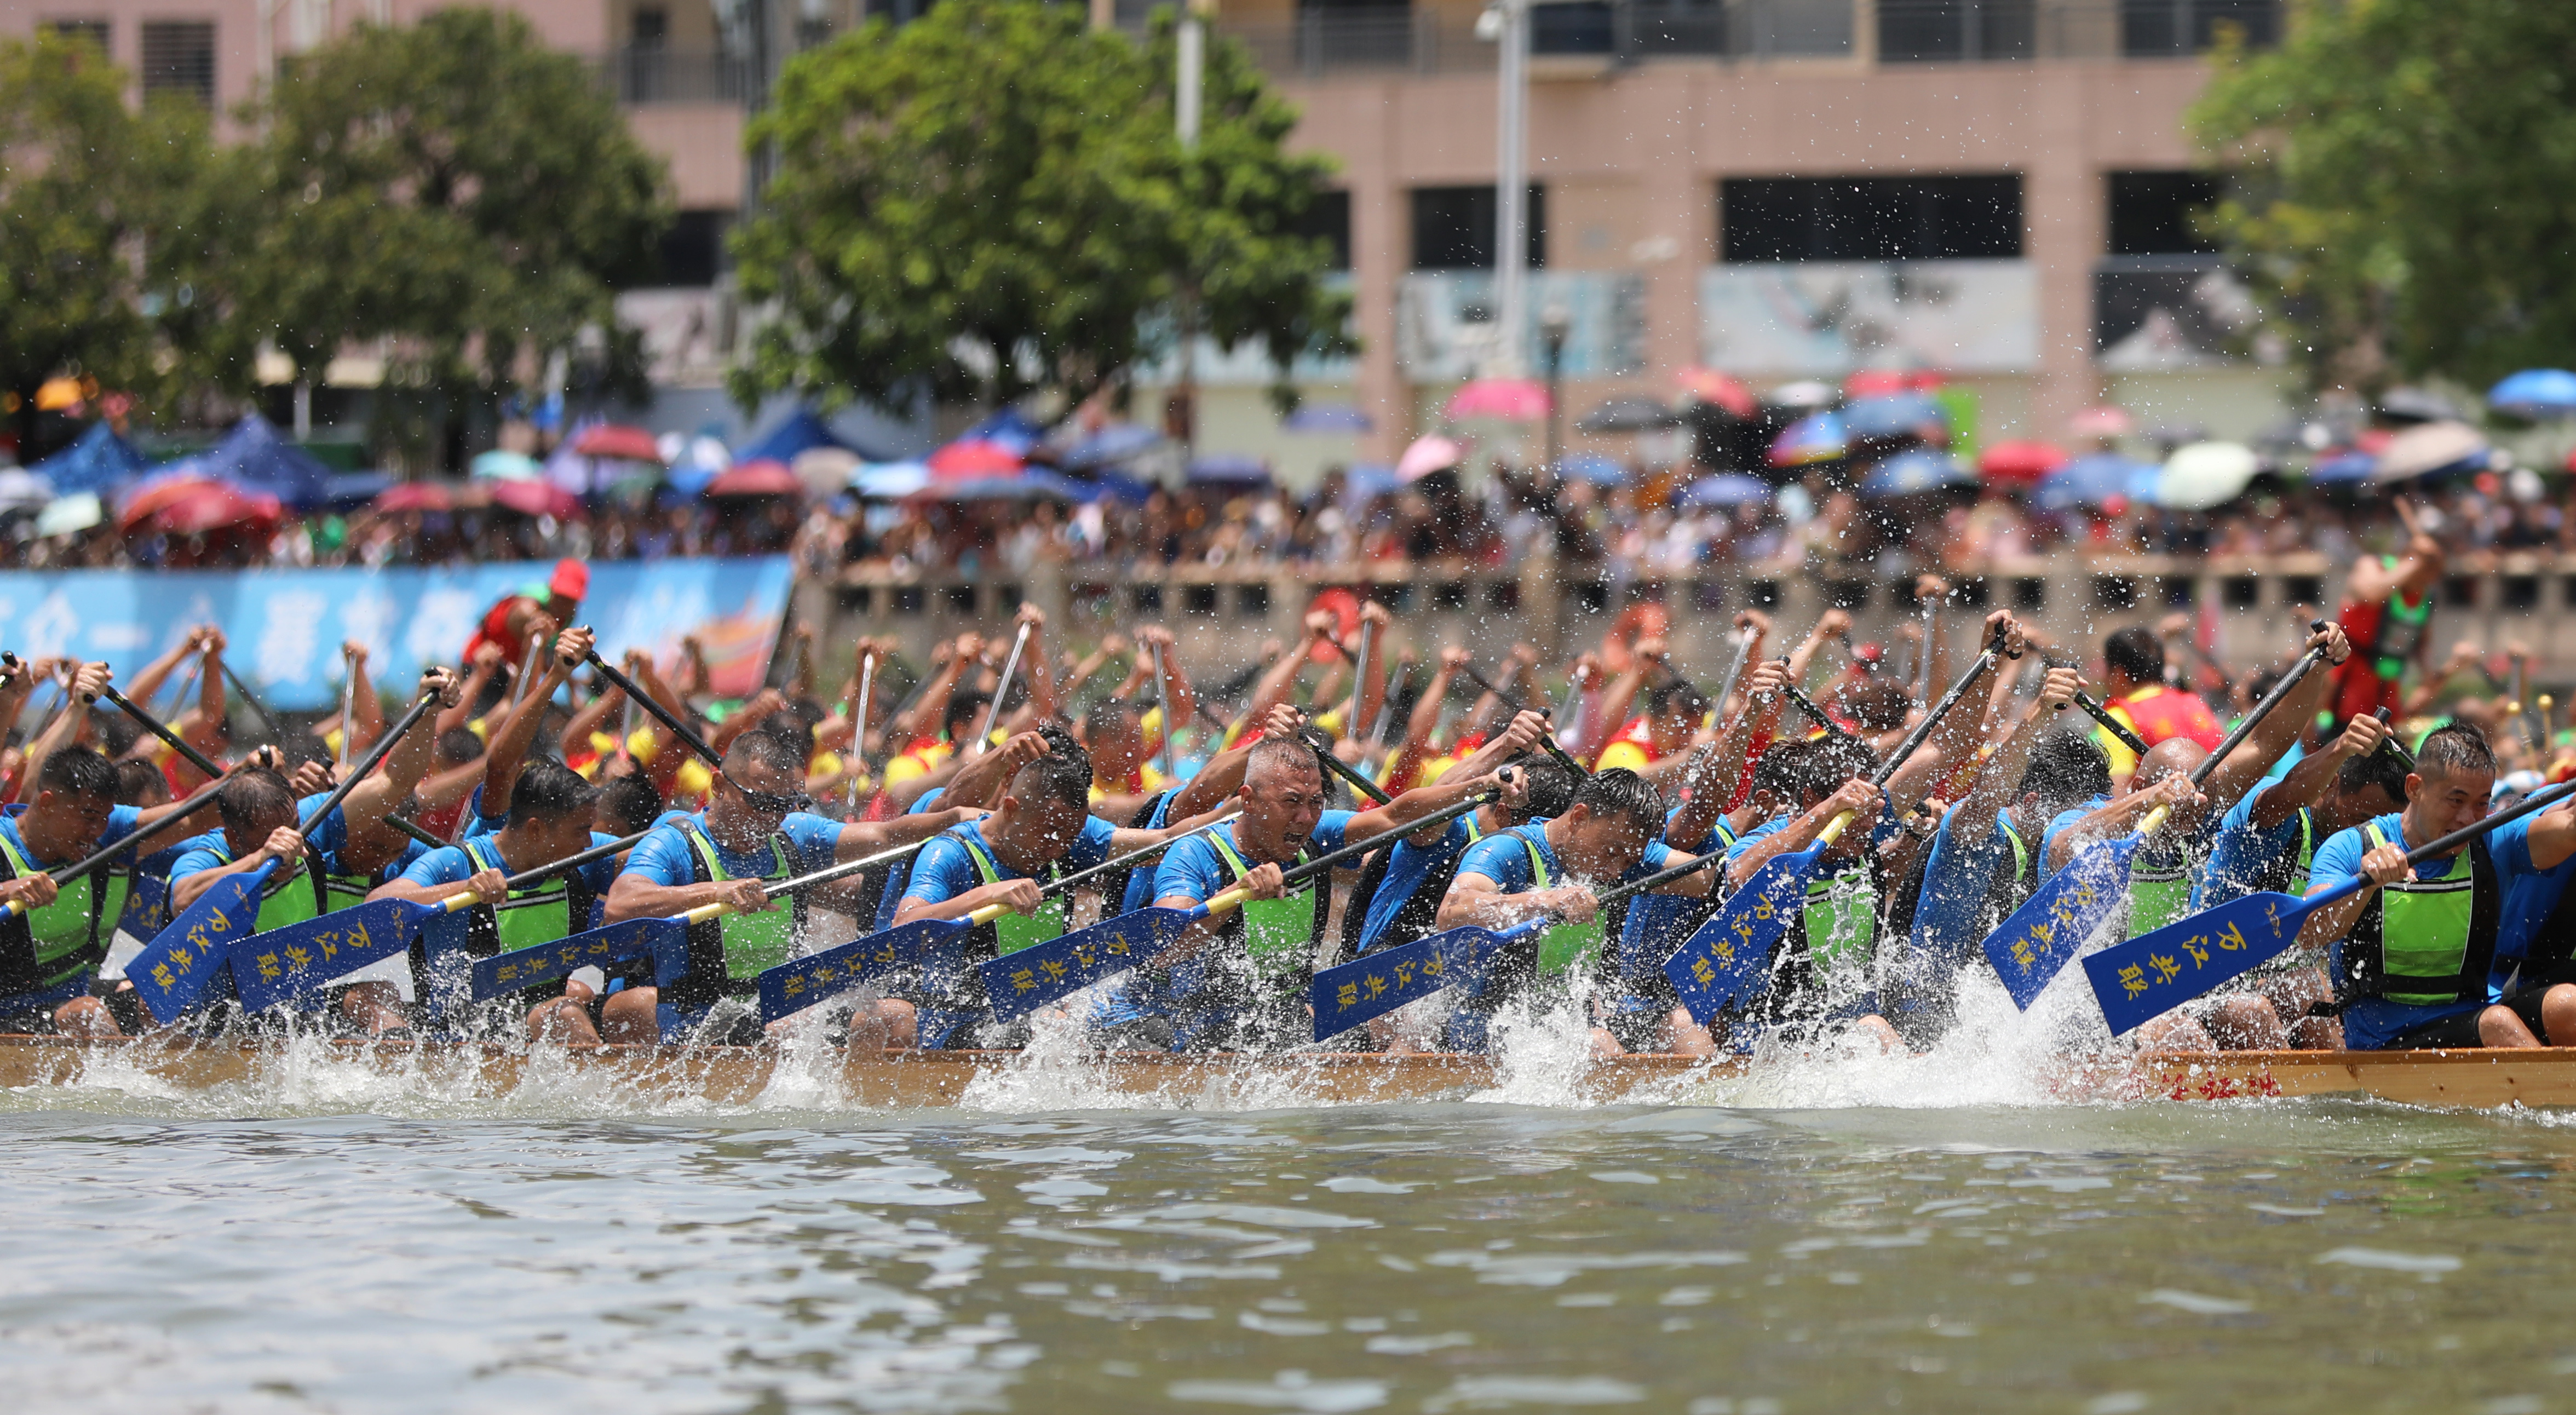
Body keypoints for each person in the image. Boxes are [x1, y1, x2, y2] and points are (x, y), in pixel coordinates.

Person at [1091, 735, 1519, 1053]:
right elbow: (1163, 944)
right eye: (1292, 802)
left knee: (1376, 1029)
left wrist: (1480, 785)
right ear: (1249, 799)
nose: (1305, 817)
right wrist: (1236, 895)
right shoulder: (1195, 852)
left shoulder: (1319, 834)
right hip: (1170, 1020)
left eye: (1315, 802)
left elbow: (1397, 815)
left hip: (1273, 1016)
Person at [599, 731, 982, 1046]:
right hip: (699, 1021)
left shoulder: (794, 832)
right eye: (759, 801)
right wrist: (715, 892)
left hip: (775, 1014)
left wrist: (954, 818)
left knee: (895, 1017)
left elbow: (884, 834)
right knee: (789, 1029)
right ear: (718, 785)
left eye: (783, 804)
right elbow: (621, 904)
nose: (770, 818)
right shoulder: (673, 843)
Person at [164, 668, 463, 1036]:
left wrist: (426, 708)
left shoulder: (307, 823)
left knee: (377, 992)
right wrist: (258, 860)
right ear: (234, 838)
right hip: (223, 1018)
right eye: (269, 837)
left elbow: (394, 783)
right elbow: (182, 900)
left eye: (291, 827)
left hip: (300, 1016)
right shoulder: (207, 854)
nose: (290, 846)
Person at [889, 726, 1223, 1048]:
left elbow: (1163, 841)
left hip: (1043, 1024)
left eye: (1070, 838)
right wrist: (987, 894)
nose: (1057, 849)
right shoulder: (949, 852)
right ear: (1011, 808)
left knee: (1150, 1039)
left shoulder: (1062, 832)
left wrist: (1233, 812)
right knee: (1049, 1032)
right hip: (957, 1026)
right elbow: (904, 926)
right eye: (1049, 835)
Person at [2297, 723, 2576, 1050]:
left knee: (2568, 1004)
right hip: (2381, 1037)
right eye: (2455, 801)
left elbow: (2569, 829)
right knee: (2498, 1024)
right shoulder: (2351, 845)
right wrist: (2366, 886)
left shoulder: (2493, 840)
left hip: (2472, 1014)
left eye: (2481, 803)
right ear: (2414, 788)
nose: (2467, 819)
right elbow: (2309, 931)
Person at [1436, 767, 1718, 1055]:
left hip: (1573, 1023)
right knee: (1599, 1043)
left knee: (1686, 1025)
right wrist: (1547, 901)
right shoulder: (1508, 848)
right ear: (1579, 817)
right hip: (1491, 1026)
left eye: (1628, 860)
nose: (1614, 871)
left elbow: (1713, 879)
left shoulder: (1624, 849)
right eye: (1611, 854)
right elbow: (1453, 910)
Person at [2167, 711, 2404, 1051]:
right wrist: (2340, 749)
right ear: (2333, 783)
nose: (2365, 834)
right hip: (2203, 982)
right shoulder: (2282, 816)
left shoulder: (2376, 844)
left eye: (2377, 826)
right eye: (2360, 819)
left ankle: (2336, 1099)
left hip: (2282, 985)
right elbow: (2290, 792)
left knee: (2311, 990)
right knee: (2260, 1010)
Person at [368, 761, 624, 1043]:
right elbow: (376, 905)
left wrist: (677, 831)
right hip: (461, 1041)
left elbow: (652, 853)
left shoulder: (578, 861)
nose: (589, 843)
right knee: (565, 1014)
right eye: (581, 831)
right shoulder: (456, 864)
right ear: (536, 830)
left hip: (537, 1030)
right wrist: (463, 888)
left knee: (583, 1008)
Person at [0, 729, 203, 1037]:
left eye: (105, 818)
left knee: (160, 992)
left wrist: (244, 778)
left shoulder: (106, 838)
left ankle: (167, 1083)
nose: (96, 831)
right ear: (47, 803)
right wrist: (6, 891)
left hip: (73, 995)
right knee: (87, 1014)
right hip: (11, 1009)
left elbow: (197, 818)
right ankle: (126, 1085)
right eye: (88, 817)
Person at [2330, 502, 2443, 726]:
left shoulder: (2425, 598)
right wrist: (2413, 561)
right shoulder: (2373, 566)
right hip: (2343, 690)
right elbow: (2373, 593)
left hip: (2386, 695)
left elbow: (2422, 649)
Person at [2094, 625, 2222, 781]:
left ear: (2119, 674)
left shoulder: (2119, 716)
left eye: (2106, 671)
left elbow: (2118, 794)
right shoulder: (2195, 702)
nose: (2103, 679)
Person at [462, 557, 587, 670]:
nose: (564, 604)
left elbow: (548, 662)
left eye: (570, 600)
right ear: (551, 589)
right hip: (477, 661)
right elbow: (525, 616)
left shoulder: (569, 617)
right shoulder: (528, 605)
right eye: (561, 596)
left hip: (510, 674)